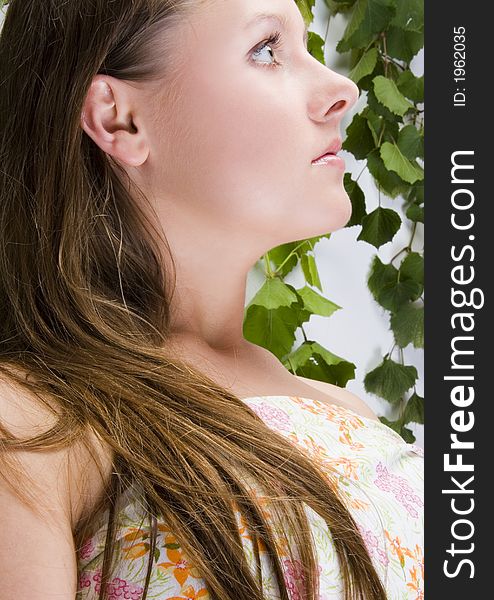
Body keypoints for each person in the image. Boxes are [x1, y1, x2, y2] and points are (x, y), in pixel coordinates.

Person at [0, 0, 423, 599]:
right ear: (120, 121)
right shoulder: (31, 429)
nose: (341, 89)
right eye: (267, 50)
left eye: (308, 48)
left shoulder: (352, 414)